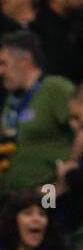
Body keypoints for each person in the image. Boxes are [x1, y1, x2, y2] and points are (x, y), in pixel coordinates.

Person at [0, 31, 75, 192]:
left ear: (24, 60)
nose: (1, 71)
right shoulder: (12, 99)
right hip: (14, 197)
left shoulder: (56, 88)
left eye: (4, 63)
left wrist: (66, 179)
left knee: (42, 217)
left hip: (47, 192)